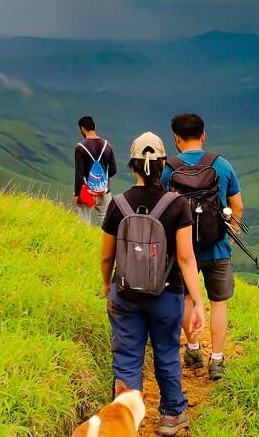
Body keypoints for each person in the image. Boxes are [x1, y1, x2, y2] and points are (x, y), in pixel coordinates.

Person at [100, 131, 205, 436]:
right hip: (167, 294)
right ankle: (172, 416)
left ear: (132, 165)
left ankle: (124, 422)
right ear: (163, 165)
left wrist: (108, 285)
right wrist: (198, 302)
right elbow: (186, 259)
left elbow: (107, 257)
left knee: (127, 357)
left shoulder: (118, 204)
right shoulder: (177, 205)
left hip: (125, 292)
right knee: (166, 353)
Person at [162, 113, 243, 381]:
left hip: (183, 252)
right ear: (203, 135)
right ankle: (217, 360)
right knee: (218, 303)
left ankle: (194, 349)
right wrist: (228, 236)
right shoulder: (222, 165)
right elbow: (238, 206)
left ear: (176, 138)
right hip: (218, 248)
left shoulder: (168, 169)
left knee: (186, 298)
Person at [74, 116, 117, 225]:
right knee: (106, 223)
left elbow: (79, 173)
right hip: (105, 190)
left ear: (82, 129)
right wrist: (101, 180)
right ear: (94, 127)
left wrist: (77, 194)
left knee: (84, 221)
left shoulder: (80, 147)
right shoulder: (107, 145)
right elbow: (113, 169)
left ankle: (85, 242)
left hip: (86, 191)